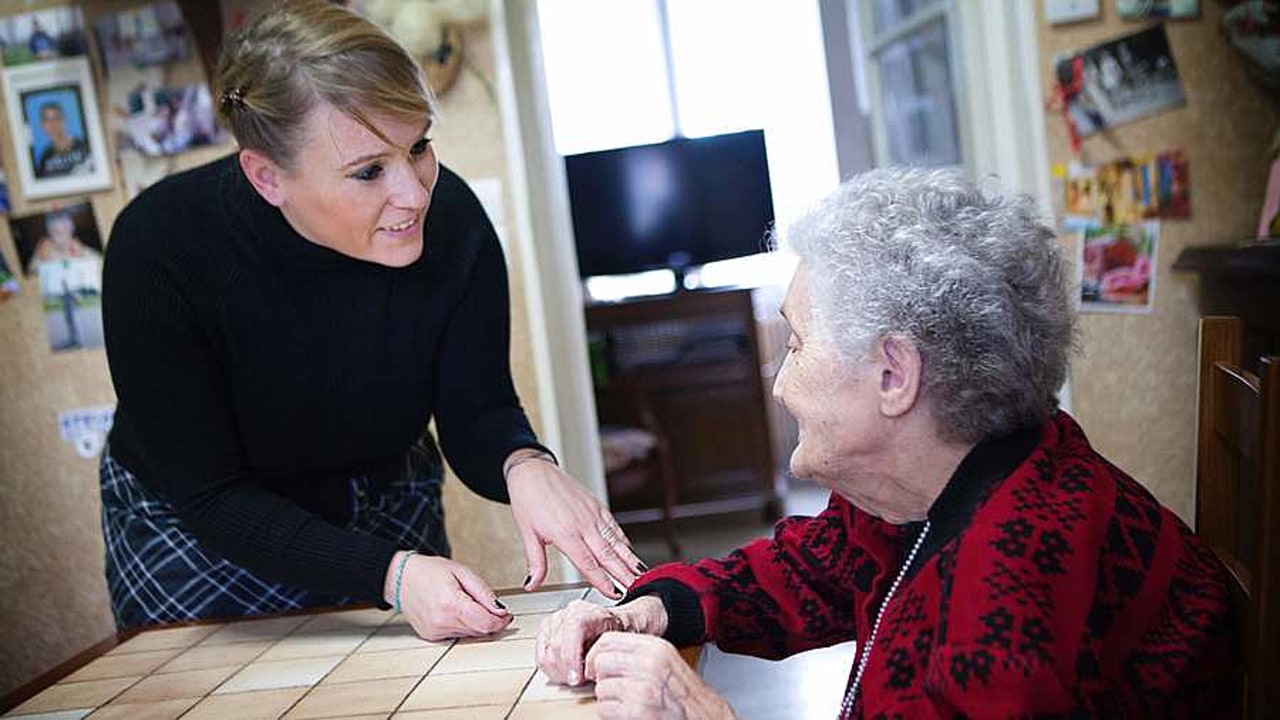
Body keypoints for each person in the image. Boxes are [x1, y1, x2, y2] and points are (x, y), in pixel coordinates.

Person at [536, 168, 1235, 718]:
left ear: (895, 374)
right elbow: (805, 572)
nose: (780, 384)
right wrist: (662, 605)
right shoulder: (963, 473)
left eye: (799, 345)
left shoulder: (1009, 602)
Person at [100, 0, 642, 639]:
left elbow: (477, 407)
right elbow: (212, 495)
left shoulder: (454, 221)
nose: (415, 194)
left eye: (418, 147)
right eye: (368, 172)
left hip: (382, 490)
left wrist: (525, 465)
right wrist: (392, 574)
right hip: (197, 522)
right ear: (267, 177)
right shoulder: (160, 248)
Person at [34, 101, 91, 178]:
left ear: (63, 120)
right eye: (47, 120)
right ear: (43, 125)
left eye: (56, 119)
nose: (52, 124)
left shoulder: (84, 146)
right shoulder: (45, 156)